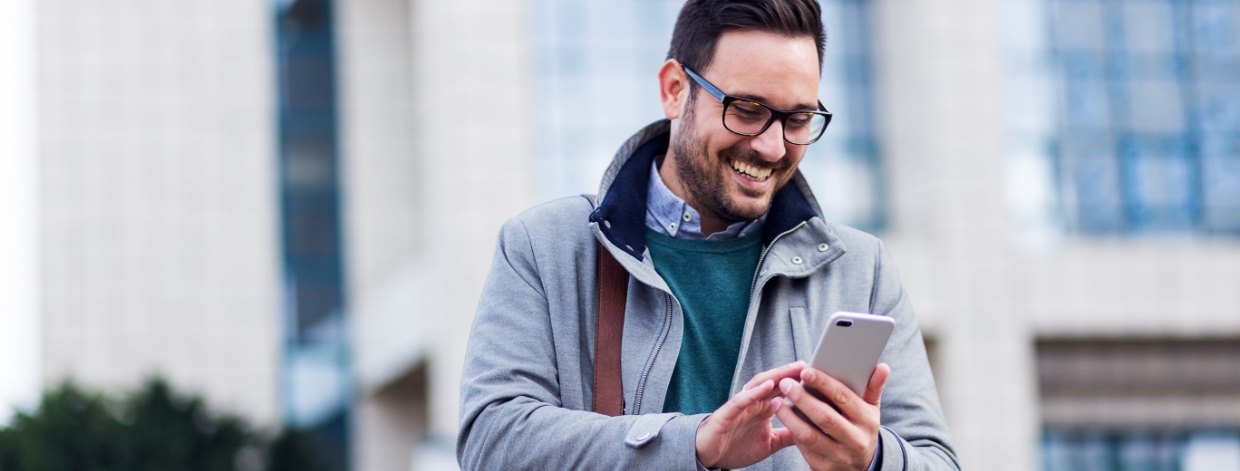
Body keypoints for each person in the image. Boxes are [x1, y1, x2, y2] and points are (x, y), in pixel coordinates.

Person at [457, 0, 959, 469]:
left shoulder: (861, 268)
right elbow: (491, 439)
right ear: (676, 90)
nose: (772, 146)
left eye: (798, 119)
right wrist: (693, 445)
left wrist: (871, 459)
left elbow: (937, 460)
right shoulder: (544, 247)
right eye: (747, 109)